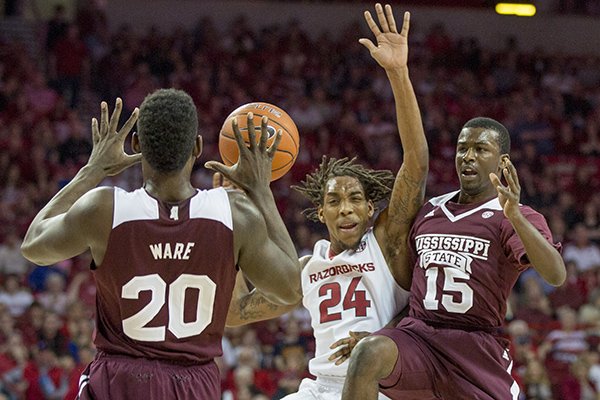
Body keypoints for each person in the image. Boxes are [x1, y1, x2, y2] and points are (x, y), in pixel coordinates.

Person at [20, 89, 302, 399]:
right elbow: (289, 289)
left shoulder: (104, 209)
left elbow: (34, 245)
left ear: (137, 145)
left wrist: (92, 171)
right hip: (194, 383)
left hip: (121, 380)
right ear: (197, 147)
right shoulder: (235, 213)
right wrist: (261, 190)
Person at [216, 4, 428, 399]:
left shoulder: (387, 245)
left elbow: (415, 166)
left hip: (377, 390)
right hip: (317, 389)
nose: (345, 207)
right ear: (320, 212)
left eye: (354, 199)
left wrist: (398, 73)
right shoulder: (306, 268)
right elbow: (233, 313)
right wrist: (233, 220)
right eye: (334, 201)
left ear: (370, 210)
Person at [341, 118, 566, 398]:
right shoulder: (430, 211)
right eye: (462, 148)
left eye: (481, 149)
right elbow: (415, 294)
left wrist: (516, 216)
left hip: (475, 347)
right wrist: (380, 333)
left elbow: (556, 275)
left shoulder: (515, 216)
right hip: (420, 338)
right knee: (368, 354)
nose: (468, 156)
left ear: (502, 161)